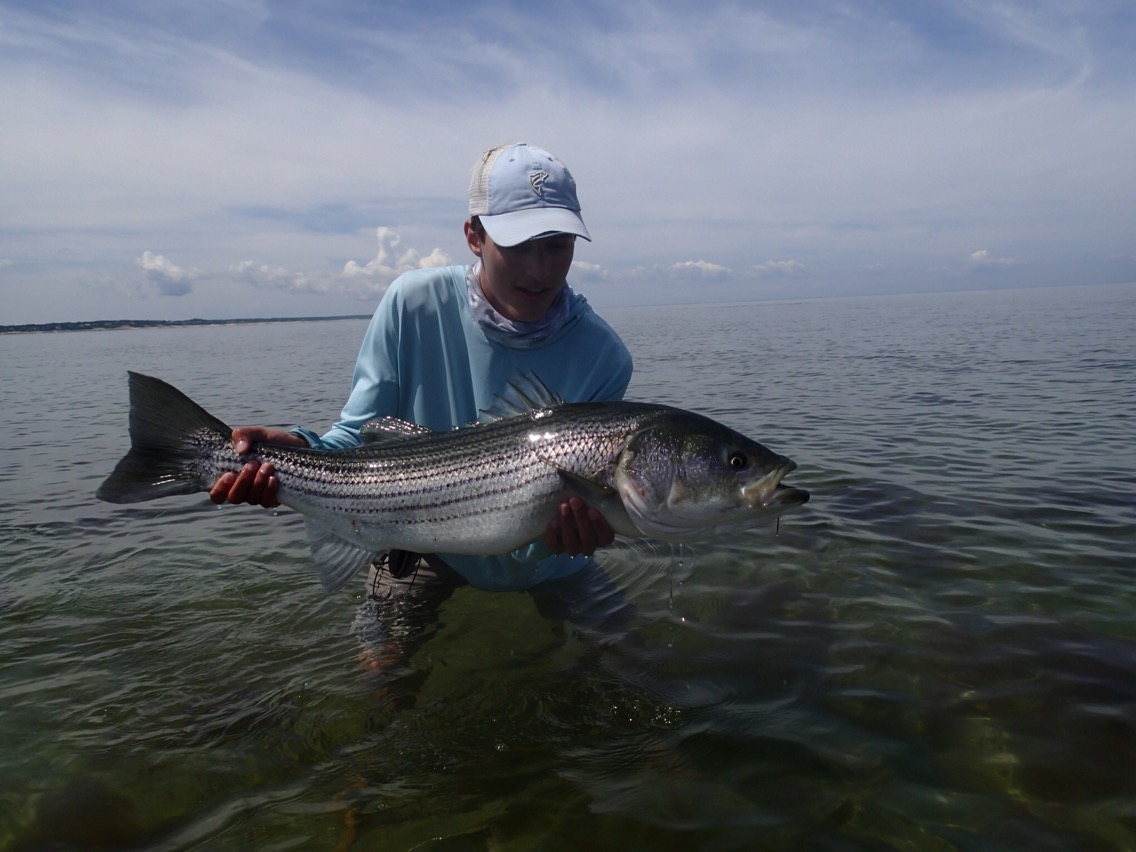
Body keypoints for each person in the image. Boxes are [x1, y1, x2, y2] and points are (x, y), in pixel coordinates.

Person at [208, 142, 633, 620]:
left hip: (553, 562)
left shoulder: (605, 356)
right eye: (517, 246)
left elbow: (593, 510)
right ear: (474, 236)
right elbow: (359, 436)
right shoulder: (412, 303)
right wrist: (300, 447)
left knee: (627, 666)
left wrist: (584, 529)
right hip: (418, 540)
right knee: (381, 678)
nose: (540, 270)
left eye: (557, 245)